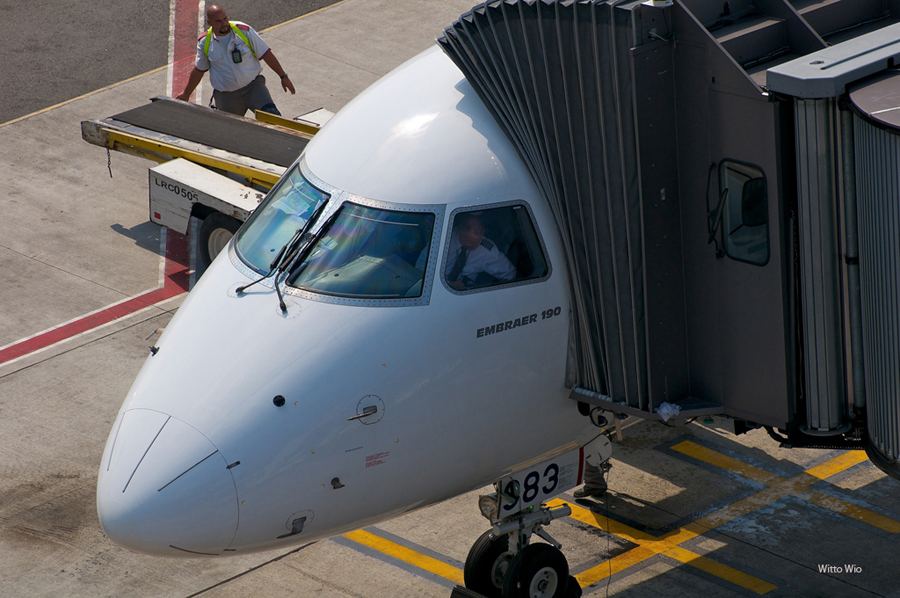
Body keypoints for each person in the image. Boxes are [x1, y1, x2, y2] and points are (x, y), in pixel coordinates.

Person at [176, 5, 295, 116]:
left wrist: (283, 76)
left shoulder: (243, 31)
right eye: (218, 21)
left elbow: (266, 54)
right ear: (209, 22)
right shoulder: (204, 42)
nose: (224, 24)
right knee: (229, 132)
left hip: (253, 87)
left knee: (273, 117)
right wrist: (187, 93)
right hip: (227, 96)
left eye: (225, 18)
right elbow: (199, 70)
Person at [445, 213, 517, 290]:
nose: (475, 246)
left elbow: (509, 274)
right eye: (470, 242)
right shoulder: (444, 242)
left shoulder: (485, 250)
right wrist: (448, 284)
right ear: (460, 233)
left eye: (478, 241)